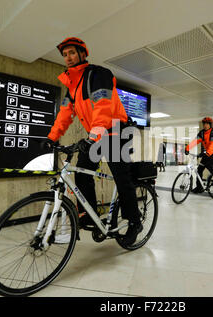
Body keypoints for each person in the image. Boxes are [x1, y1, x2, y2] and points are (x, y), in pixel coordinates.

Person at [41, 37, 142, 245]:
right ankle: (90, 215)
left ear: (82, 54)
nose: (68, 58)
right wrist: (51, 137)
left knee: (122, 178)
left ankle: (134, 222)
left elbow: (103, 106)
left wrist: (94, 135)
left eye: (71, 53)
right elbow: (65, 114)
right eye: (65, 54)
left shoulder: (98, 74)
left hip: (116, 131)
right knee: (81, 173)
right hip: (96, 133)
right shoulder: (72, 86)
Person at [185, 117, 213, 193]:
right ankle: (199, 188)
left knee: (208, 164)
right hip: (208, 152)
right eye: (204, 124)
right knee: (199, 169)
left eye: (207, 124)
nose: (205, 125)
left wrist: (207, 153)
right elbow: (195, 141)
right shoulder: (202, 133)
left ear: (210, 124)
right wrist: (187, 148)